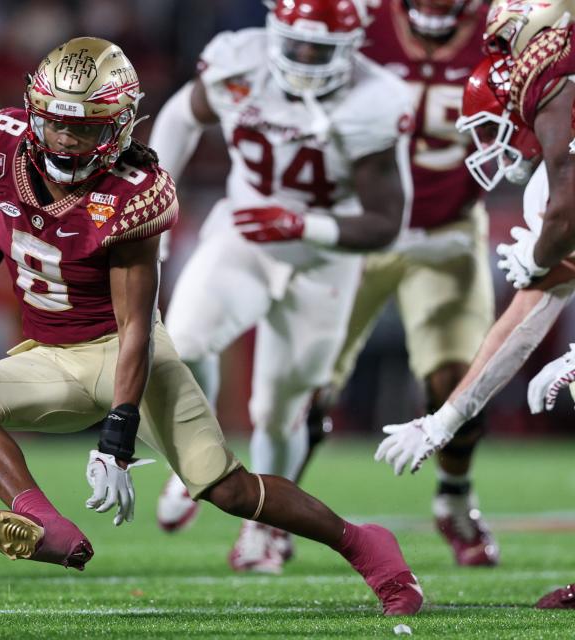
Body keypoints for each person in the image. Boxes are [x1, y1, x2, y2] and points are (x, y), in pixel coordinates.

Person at [0, 36, 423, 616]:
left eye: (86, 127)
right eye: (55, 121)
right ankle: (43, 522)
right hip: (50, 353)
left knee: (227, 489)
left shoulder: (133, 190)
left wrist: (116, 438)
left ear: (121, 127)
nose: (65, 138)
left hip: (123, 352)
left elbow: (135, 325)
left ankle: (366, 545)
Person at [148, 0, 414, 572]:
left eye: (321, 48)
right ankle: (197, 458)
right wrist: (154, 217)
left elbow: (385, 221)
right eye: (297, 42)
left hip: (325, 257)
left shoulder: (375, 98)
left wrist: (303, 224)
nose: (305, 57)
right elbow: (178, 117)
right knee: (185, 345)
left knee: (278, 409)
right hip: (244, 234)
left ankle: (268, 530)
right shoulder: (239, 62)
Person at [305, 0, 500, 570]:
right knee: (304, 382)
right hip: (359, 226)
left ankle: (455, 500)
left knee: (457, 381)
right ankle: (273, 520)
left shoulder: (503, 29)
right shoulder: (357, 22)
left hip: (447, 229)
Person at [374, 50, 573, 610]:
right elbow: (527, 319)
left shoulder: (559, 190)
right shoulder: (551, 188)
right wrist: (446, 419)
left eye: (494, 126)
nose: (488, 145)